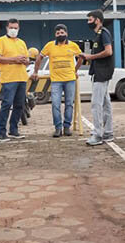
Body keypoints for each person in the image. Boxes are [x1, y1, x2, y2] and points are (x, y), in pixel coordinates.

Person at [32, 23, 81, 137]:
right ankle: (58, 128)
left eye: (62, 32)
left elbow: (81, 58)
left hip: (70, 79)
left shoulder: (73, 45)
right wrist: (35, 71)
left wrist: (75, 70)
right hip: (56, 81)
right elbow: (39, 57)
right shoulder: (50, 45)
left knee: (69, 104)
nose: (60, 34)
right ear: (55, 34)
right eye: (58, 33)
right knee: (55, 104)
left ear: (66, 33)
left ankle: (67, 127)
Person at [79, 9, 114, 145]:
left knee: (96, 104)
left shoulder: (103, 33)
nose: (88, 22)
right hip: (100, 72)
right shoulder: (99, 35)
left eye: (90, 19)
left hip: (102, 72)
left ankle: (98, 135)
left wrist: (90, 56)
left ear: (97, 20)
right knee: (105, 104)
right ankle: (108, 132)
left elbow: (108, 51)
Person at [0, 18, 30, 142]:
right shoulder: (1, 41)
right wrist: (14, 59)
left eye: (16, 28)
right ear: (7, 28)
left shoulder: (22, 43)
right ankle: (1, 132)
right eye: (11, 27)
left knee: (19, 105)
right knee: (7, 104)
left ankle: (14, 130)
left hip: (22, 78)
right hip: (9, 78)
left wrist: (25, 61)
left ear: (19, 28)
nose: (13, 30)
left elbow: (27, 61)